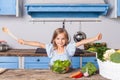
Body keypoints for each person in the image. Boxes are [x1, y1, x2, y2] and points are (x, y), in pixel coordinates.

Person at [18, 28, 102, 66]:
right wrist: (24, 42)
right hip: (53, 72)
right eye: (58, 38)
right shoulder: (51, 48)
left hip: (67, 72)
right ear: (54, 39)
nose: (60, 41)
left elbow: (82, 42)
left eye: (63, 39)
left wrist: (95, 38)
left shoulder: (68, 48)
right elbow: (38, 44)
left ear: (66, 40)